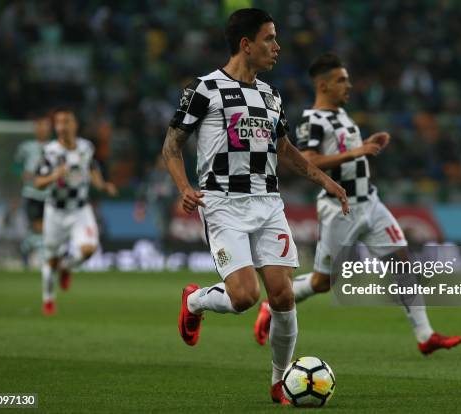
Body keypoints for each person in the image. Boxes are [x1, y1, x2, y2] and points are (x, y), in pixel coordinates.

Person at [163, 9, 348, 405]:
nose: (277, 47)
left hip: (268, 204)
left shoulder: (271, 94)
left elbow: (284, 150)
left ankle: (279, 383)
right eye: (269, 39)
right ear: (246, 44)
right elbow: (172, 145)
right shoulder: (205, 89)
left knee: (281, 295)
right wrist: (184, 187)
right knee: (245, 297)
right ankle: (194, 301)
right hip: (223, 204)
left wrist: (326, 180)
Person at [254, 53, 461, 355]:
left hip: (371, 202)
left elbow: (347, 152)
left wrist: (366, 146)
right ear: (323, 85)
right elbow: (309, 161)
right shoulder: (312, 120)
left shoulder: (342, 115)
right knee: (323, 282)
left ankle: (425, 335)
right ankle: (270, 305)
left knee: (402, 260)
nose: (349, 85)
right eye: (341, 80)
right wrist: (357, 152)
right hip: (341, 208)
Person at [34, 108, 117, 316]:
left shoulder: (85, 148)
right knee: (51, 260)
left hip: (80, 209)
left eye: (67, 121)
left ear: (75, 124)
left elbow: (92, 168)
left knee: (89, 249)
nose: (63, 126)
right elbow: (38, 182)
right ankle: (48, 298)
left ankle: (67, 267)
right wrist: (55, 175)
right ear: (56, 127)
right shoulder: (50, 151)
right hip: (55, 211)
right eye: (59, 122)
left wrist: (103, 185)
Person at [14, 112, 52, 266]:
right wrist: (22, 173)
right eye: (40, 126)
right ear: (36, 128)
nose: (43, 129)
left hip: (49, 194)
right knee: (38, 226)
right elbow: (16, 166)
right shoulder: (26, 147)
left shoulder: (54, 147)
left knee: (43, 228)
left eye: (46, 126)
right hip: (31, 193)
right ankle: (42, 258)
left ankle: (26, 247)